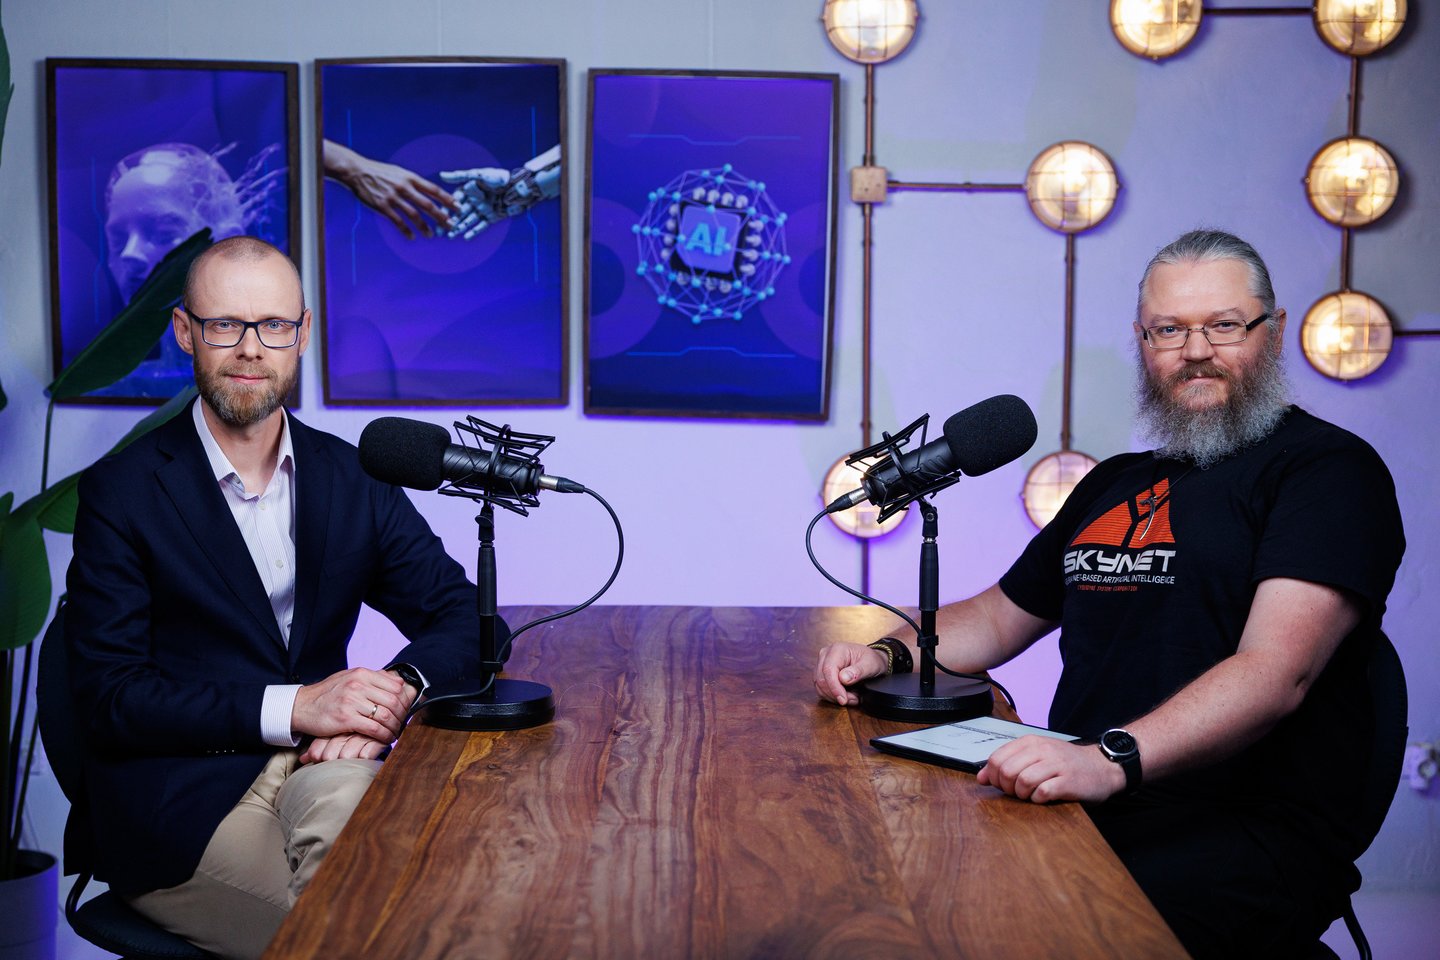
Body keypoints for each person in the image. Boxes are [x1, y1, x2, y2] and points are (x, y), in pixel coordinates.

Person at [814, 229, 1405, 958]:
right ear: (1143, 342)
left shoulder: (1329, 473)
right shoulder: (1115, 481)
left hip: (1242, 829)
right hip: (1084, 793)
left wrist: (1109, 760)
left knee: (1000, 932)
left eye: (1224, 325)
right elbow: (998, 616)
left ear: (1274, 332)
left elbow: (1275, 672)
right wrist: (888, 653)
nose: (1196, 351)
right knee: (896, 881)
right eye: (1169, 330)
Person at [64, 236, 482, 960]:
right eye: (226, 324)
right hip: (179, 797)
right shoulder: (121, 492)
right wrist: (298, 705)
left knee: (418, 896)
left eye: (274, 325)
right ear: (186, 331)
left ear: (304, 333)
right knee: (360, 934)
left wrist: (393, 694)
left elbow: (465, 617)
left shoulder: (355, 477)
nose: (251, 348)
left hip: (322, 763)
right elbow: (111, 699)